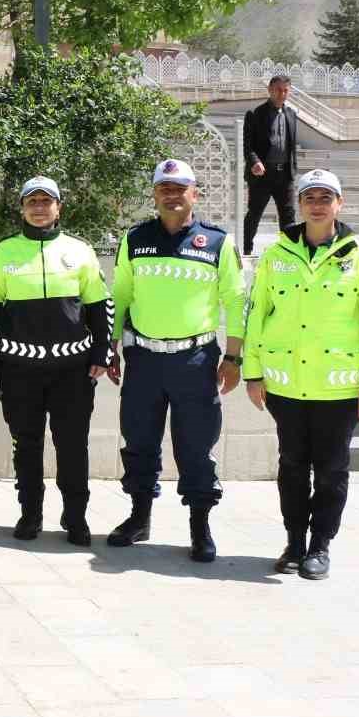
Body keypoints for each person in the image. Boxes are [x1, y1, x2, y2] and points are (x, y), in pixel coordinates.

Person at [243, 168, 359, 579]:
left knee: (331, 471)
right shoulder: (276, 255)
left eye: (325, 198)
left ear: (339, 204)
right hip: (286, 384)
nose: (317, 204)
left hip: (339, 388)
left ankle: (320, 546)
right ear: (300, 204)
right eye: (310, 197)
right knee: (291, 466)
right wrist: (253, 373)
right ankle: (294, 542)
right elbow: (256, 313)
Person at [106, 160, 245, 562]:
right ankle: (139, 517)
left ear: (194, 194)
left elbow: (236, 302)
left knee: (196, 447)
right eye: (164, 187)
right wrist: (111, 347)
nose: (171, 194)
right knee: (138, 441)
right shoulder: (135, 239)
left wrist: (234, 356)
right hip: (144, 360)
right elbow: (121, 295)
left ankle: (200, 529)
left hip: (196, 361)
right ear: (155, 194)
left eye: (179, 188)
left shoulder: (218, 243)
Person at [0, 177, 111, 546]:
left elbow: (100, 306)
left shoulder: (80, 251)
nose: (39, 207)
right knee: (27, 443)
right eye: (31, 201)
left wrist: (102, 352)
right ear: (22, 207)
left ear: (58, 207)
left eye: (46, 201)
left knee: (72, 444)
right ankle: (30, 514)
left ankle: (76, 517)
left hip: (72, 369)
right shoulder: (2, 253)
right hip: (18, 369)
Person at [242, 74, 299, 255]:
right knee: (254, 214)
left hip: (285, 175)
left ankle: (289, 250)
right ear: (270, 90)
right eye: (278, 90)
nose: (282, 94)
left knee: (288, 216)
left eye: (285, 90)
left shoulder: (291, 114)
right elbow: (248, 145)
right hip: (262, 176)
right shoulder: (256, 114)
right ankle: (247, 249)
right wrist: (255, 162)